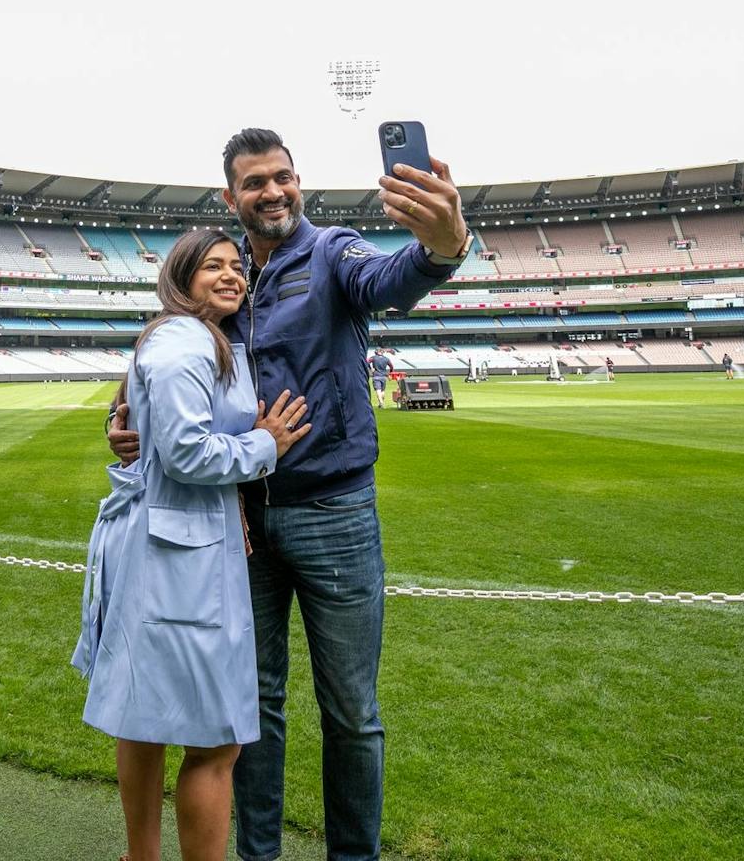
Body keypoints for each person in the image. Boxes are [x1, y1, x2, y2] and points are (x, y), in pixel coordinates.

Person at [108, 128, 469, 861]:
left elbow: (388, 281)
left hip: (334, 514)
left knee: (351, 714)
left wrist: (442, 247)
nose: (271, 192)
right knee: (254, 710)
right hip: (240, 521)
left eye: (281, 177)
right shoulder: (227, 274)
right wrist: (124, 420)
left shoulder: (332, 251)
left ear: (298, 180)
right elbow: (173, 363)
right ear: (230, 196)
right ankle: (257, 854)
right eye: (254, 182)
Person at [75, 228, 311, 861]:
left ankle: (140, 857)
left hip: (170, 547)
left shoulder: (195, 338)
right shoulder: (185, 344)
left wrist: (122, 427)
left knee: (144, 718)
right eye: (214, 267)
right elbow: (184, 452)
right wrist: (267, 444)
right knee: (215, 741)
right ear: (182, 279)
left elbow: (145, 425)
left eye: (237, 266)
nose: (232, 275)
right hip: (180, 557)